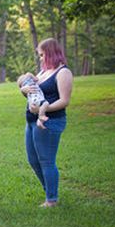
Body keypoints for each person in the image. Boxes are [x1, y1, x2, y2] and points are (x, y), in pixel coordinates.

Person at [21, 38, 73, 208]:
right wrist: (24, 90)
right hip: (32, 121)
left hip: (50, 121)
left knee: (46, 160)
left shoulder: (63, 72)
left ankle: (51, 199)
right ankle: (50, 191)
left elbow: (64, 101)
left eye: (43, 55)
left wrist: (43, 109)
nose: (41, 58)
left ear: (51, 53)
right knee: (33, 160)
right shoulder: (43, 72)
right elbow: (33, 92)